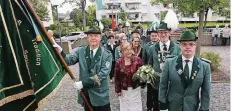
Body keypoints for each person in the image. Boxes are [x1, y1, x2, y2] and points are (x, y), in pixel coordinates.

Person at [53, 25, 112, 111]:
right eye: (91, 36)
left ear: (100, 38)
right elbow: (69, 61)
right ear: (87, 38)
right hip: (86, 93)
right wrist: (61, 52)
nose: (93, 38)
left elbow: (102, 75)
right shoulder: (81, 51)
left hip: (100, 95)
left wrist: (83, 83)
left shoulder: (106, 54)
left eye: (96, 36)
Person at [159, 30, 211, 111]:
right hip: (172, 106)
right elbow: (163, 86)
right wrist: (162, 106)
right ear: (180, 46)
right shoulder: (169, 63)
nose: (188, 47)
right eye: (184, 44)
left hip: (192, 107)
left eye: (191, 44)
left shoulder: (204, 66)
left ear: (195, 46)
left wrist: (204, 109)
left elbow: (206, 92)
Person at [148, 22, 181, 111]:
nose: (163, 35)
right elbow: (150, 64)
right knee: (157, 105)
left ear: (169, 33)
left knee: (172, 105)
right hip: (157, 83)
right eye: (161, 32)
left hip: (172, 84)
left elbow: (180, 65)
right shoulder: (152, 48)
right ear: (158, 33)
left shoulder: (177, 48)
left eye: (165, 32)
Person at [114, 43, 143, 111]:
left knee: (136, 107)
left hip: (135, 88)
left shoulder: (138, 60)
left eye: (130, 49)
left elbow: (142, 72)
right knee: (125, 107)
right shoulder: (119, 62)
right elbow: (116, 77)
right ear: (122, 51)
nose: (128, 51)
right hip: (124, 90)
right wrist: (118, 90)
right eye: (126, 50)